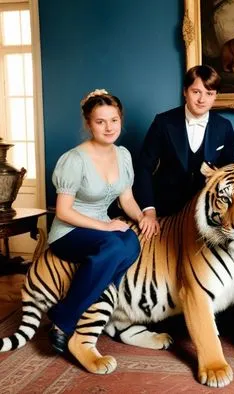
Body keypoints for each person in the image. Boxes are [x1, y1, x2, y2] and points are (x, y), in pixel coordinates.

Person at [47, 89, 151, 368]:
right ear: (88, 124)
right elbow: (64, 211)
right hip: (69, 231)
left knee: (131, 243)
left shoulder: (123, 155)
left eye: (113, 120)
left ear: (121, 120)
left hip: (99, 228)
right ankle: (63, 319)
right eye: (100, 121)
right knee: (116, 244)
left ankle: (93, 305)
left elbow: (126, 199)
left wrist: (142, 217)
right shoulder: (74, 159)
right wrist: (106, 226)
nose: (108, 127)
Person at [134, 65, 234, 229]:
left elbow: (231, 172)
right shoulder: (163, 122)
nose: (202, 99)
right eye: (196, 92)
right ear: (185, 91)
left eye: (209, 93)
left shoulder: (224, 126)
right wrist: (149, 211)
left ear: (216, 95)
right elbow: (143, 168)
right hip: (164, 209)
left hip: (206, 212)